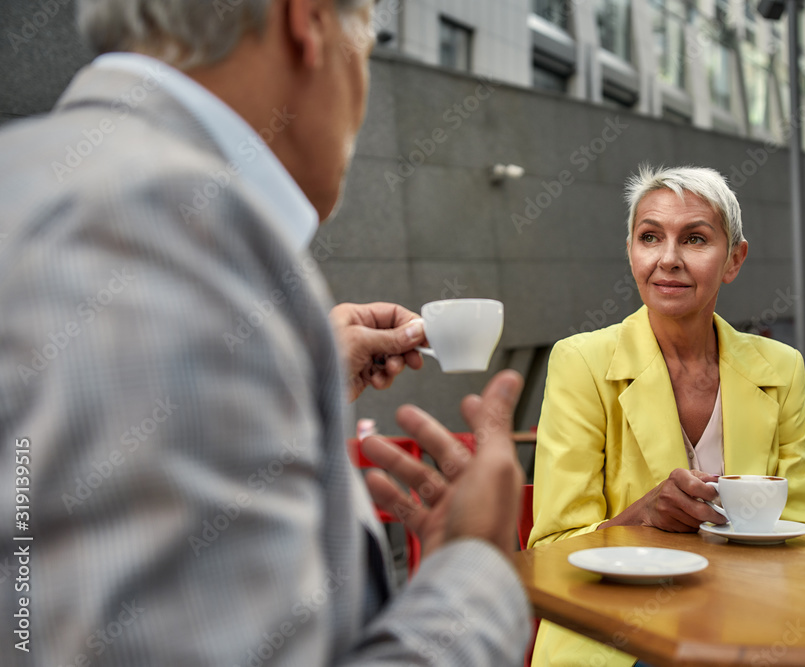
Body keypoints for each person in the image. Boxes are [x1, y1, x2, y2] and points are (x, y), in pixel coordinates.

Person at [0, 0, 530, 665]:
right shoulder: (177, 237)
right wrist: (475, 566)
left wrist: (293, 384)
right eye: (366, 38)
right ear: (306, 21)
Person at [526, 165, 805, 667]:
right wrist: (640, 519)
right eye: (650, 237)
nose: (668, 259)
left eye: (694, 239)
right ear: (631, 252)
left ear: (734, 259)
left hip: (749, 627)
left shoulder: (780, 368)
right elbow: (553, 554)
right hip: (619, 637)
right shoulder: (581, 363)